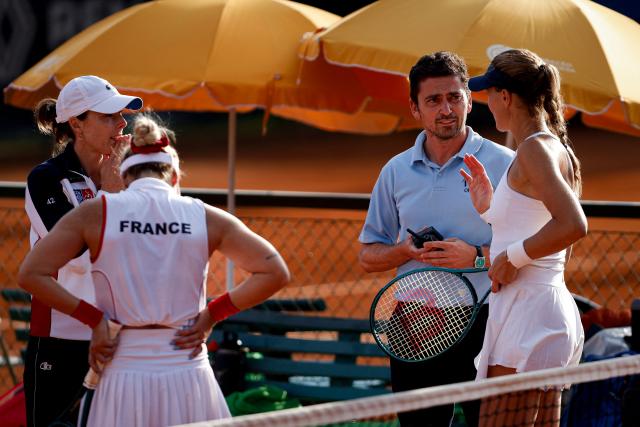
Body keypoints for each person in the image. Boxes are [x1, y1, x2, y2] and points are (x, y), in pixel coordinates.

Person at [18, 114, 290, 427]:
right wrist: (212, 314)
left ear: (125, 176)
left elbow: (31, 273)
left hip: (123, 369)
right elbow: (275, 271)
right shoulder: (203, 214)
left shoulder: (97, 212)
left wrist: (95, 321)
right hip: (187, 367)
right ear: (174, 177)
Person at [358, 51, 514, 427]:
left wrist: (475, 257)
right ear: (415, 108)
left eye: (454, 97)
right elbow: (368, 255)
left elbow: (534, 252)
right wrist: (402, 251)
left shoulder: (507, 163)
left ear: (469, 100)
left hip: (487, 319)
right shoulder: (395, 171)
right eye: (433, 100)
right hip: (415, 322)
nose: (446, 109)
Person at [463, 48, 587, 426]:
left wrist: (511, 257)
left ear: (506, 97)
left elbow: (573, 224)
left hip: (529, 316)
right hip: (540, 311)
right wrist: (489, 209)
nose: (485, 103)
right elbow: (534, 221)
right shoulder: (549, 146)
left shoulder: (534, 149)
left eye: (488, 93)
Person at [24, 75, 142, 427]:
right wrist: (110, 196)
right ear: (76, 124)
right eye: (108, 116)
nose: (122, 124)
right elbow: (74, 256)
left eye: (122, 115)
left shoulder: (130, 176)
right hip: (61, 335)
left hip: (117, 335)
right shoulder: (46, 178)